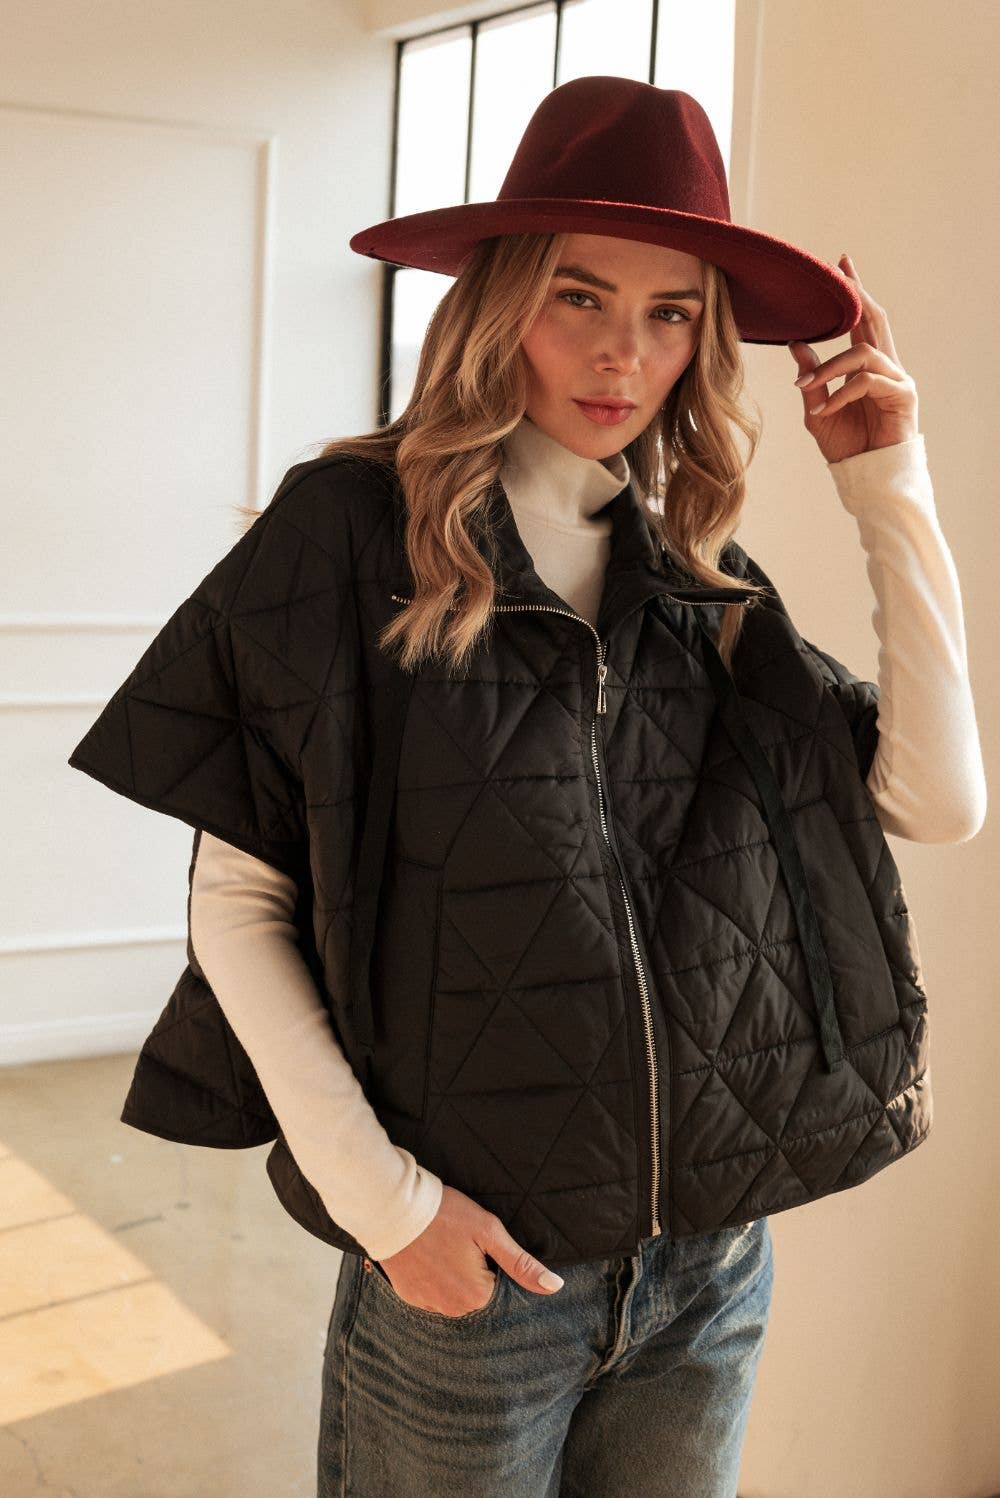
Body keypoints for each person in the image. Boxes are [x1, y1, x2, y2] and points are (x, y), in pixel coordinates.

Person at [68, 78, 985, 1497]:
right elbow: (240, 905)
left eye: (671, 312)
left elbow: (939, 800)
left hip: (705, 1274)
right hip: (478, 1279)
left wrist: (889, 482)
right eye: (580, 296)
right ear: (501, 301)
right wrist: (392, 1212)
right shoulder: (349, 533)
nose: (624, 353)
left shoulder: (699, 583)